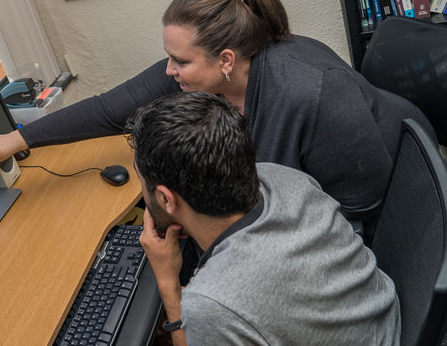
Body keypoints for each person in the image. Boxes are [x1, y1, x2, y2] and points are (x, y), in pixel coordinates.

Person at [0, 0, 433, 228]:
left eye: (179, 61)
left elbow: (357, 209)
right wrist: (18, 138)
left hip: (383, 207)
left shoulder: (314, 93)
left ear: (224, 60)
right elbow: (109, 107)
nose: (168, 71)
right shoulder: (206, 74)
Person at [128, 92, 400, 345]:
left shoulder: (211, 304)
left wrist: (169, 284)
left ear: (166, 198)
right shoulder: (280, 177)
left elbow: (219, 304)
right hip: (379, 321)